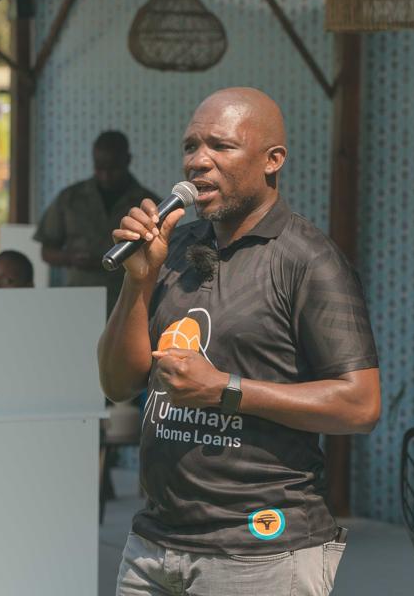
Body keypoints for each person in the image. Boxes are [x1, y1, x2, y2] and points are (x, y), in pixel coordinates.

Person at [98, 88, 381, 595]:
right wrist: (139, 280)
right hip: (155, 545)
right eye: (191, 146)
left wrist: (225, 390)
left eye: (221, 146)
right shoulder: (174, 248)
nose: (198, 161)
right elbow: (118, 384)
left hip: (260, 550)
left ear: (273, 160)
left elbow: (360, 406)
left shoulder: (308, 260)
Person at [35, 131, 158, 313]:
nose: (105, 175)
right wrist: (71, 258)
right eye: (99, 167)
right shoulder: (70, 198)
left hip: (128, 303)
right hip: (78, 302)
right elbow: (46, 251)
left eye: (113, 168)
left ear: (127, 160)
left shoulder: (148, 205)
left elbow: (158, 259)